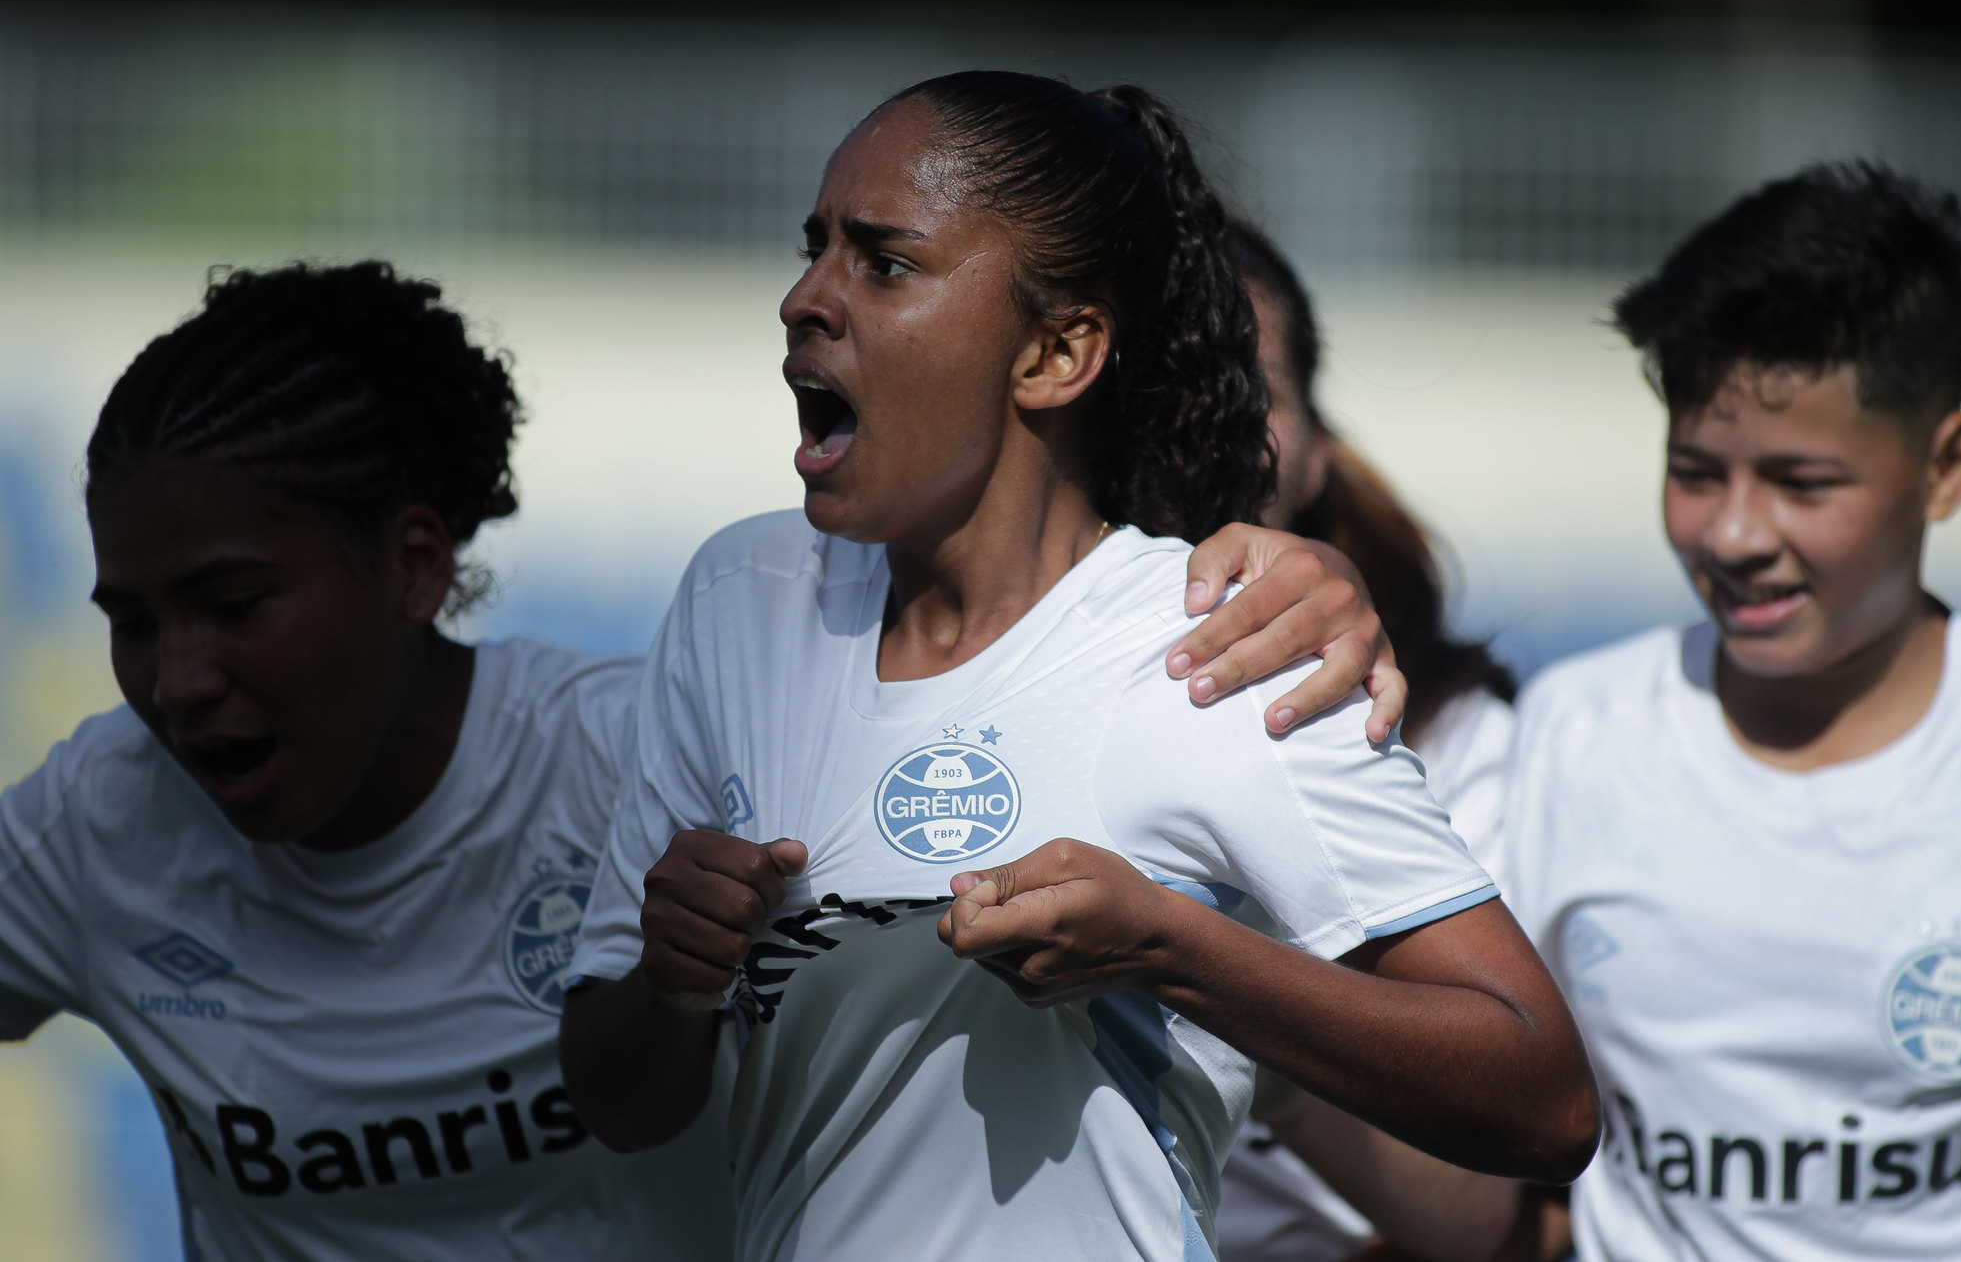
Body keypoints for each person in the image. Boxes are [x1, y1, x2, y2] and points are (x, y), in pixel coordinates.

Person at [0, 262, 1403, 1259]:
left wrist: (1287, 591)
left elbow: (1300, 1077)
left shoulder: (655, 749)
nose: (179, 682)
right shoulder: (96, 827)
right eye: (132, 622)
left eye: (235, 607)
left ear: (416, 563)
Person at [559, 70, 1599, 1262]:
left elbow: (1544, 1099)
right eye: (814, 250)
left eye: (882, 263)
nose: (804, 299)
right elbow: (618, 1101)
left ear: (1056, 352)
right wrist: (671, 979)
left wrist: (1175, 946)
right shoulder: (734, 604)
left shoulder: (1221, 642)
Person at [1497, 161, 1961, 1260]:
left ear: (1944, 468)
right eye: (1694, 471)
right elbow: (1499, 1175)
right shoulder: (1572, 733)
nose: (1734, 534)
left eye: (1801, 483)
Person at [1215, 220, 1533, 1262]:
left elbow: (1514, 1210)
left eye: (1244, 387)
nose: (1201, 425)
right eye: (1157, 382)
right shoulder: (931, 670)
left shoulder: (1457, 746)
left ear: (1315, 451)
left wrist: (1230, 995)